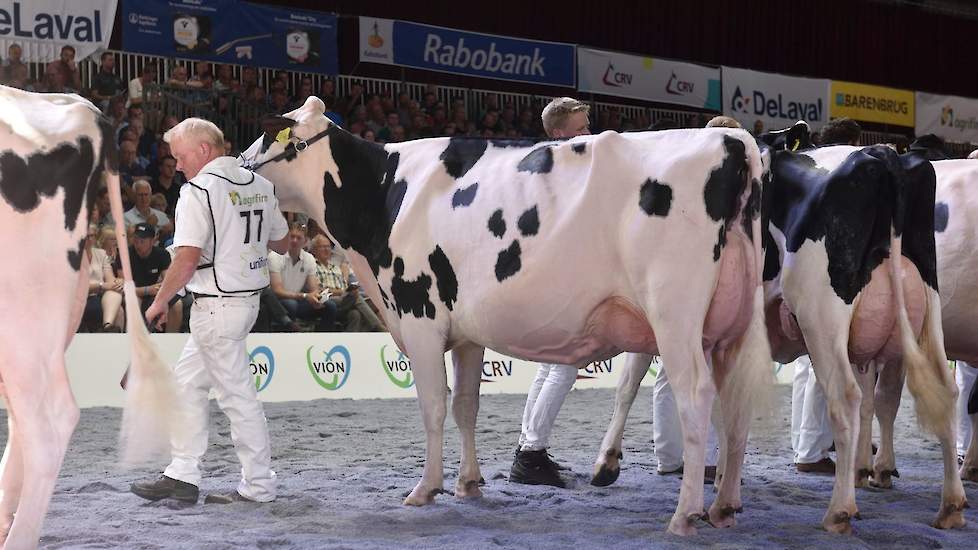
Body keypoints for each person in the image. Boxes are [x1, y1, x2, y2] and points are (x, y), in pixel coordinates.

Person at [130, 117, 289, 504]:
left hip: (216, 307)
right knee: (187, 387)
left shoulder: (198, 190)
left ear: (204, 150)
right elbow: (282, 244)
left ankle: (259, 487)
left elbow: (186, 259)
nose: (178, 165)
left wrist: (159, 301)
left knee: (238, 399)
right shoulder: (262, 185)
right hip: (242, 302)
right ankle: (182, 474)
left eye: (181, 157)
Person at [509, 97, 591, 488]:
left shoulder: (546, 162)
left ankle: (529, 446)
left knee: (551, 365)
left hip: (547, 268)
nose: (588, 133)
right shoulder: (561, 166)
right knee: (566, 362)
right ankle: (530, 453)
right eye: (580, 128)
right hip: (559, 270)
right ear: (559, 133)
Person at [114, 223, 183, 333]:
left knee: (177, 304)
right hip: (133, 292)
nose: (138, 245)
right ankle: (133, 338)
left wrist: (161, 290)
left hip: (153, 292)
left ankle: (170, 337)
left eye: (142, 241)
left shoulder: (162, 254)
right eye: (136, 240)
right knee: (133, 302)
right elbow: (124, 286)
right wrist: (148, 290)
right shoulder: (124, 254)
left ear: (152, 241)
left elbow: (167, 281)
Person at [268, 224, 338, 331]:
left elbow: (313, 289)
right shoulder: (275, 256)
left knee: (330, 306)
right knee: (291, 305)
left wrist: (316, 299)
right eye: (292, 236)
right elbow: (277, 291)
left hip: (299, 300)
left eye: (299, 238)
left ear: (305, 241)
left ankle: (323, 341)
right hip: (277, 303)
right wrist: (305, 296)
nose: (294, 240)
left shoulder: (309, 259)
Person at [310, 235, 384, 332]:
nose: (326, 249)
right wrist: (342, 292)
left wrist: (349, 290)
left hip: (343, 302)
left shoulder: (336, 268)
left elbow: (344, 287)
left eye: (328, 247)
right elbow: (320, 290)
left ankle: (351, 344)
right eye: (322, 247)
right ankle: (379, 327)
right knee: (356, 297)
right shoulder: (313, 267)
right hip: (325, 300)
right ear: (314, 250)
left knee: (355, 314)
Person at [82, 225, 125, 332]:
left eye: (91, 236)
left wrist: (118, 282)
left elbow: (110, 279)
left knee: (116, 294)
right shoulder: (70, 255)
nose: (88, 239)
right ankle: (108, 330)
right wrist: (101, 285)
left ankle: (107, 327)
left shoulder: (100, 253)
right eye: (85, 236)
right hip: (78, 296)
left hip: (98, 294)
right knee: (118, 310)